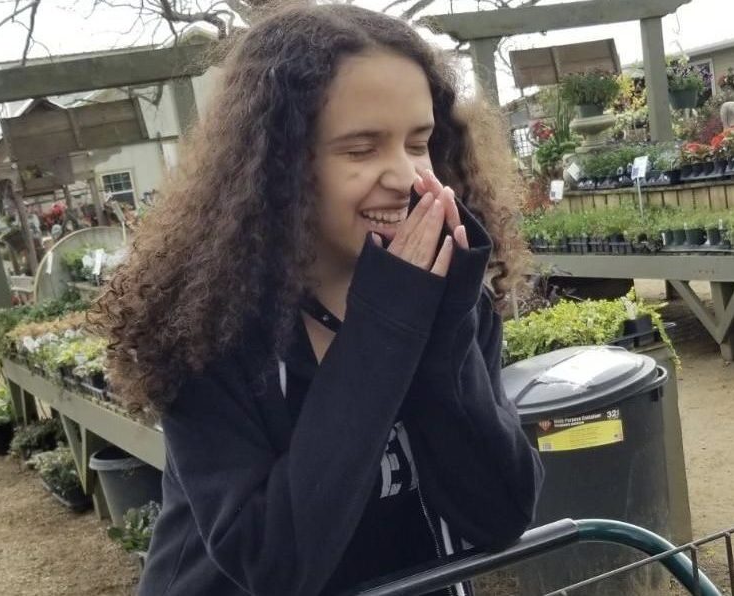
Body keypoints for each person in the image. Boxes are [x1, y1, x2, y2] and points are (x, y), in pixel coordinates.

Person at [92, 4, 543, 596]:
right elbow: (274, 562)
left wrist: (442, 327)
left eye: (418, 142)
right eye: (360, 149)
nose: (406, 176)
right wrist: (384, 327)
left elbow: (500, 514)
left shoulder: (448, 292)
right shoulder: (205, 326)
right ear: (277, 166)